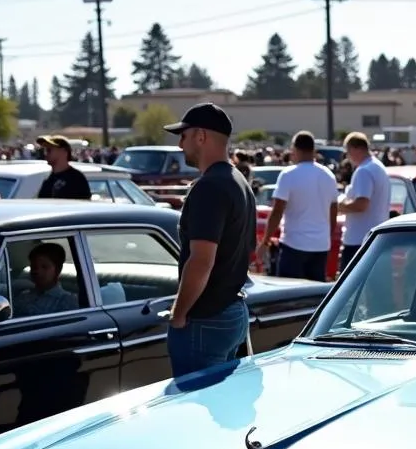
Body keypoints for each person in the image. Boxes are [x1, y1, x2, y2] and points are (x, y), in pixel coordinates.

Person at [162, 102, 256, 377]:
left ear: (201, 136)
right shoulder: (237, 180)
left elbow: (202, 260)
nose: (181, 144)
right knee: (227, 410)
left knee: (195, 409)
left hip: (207, 318)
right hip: (232, 310)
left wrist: (179, 314)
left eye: (184, 135)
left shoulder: (210, 186)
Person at [257, 130, 338, 281]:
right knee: (315, 296)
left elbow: (277, 210)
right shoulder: (328, 175)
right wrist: (327, 235)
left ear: (295, 149)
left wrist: (265, 240)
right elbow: (333, 210)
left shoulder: (288, 175)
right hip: (320, 245)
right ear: (313, 150)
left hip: (293, 244)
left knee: (290, 295)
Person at [337, 131, 390, 272]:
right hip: (374, 239)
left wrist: (339, 206)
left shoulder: (363, 171)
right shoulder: (378, 167)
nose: (347, 156)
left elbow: (361, 204)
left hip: (358, 241)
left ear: (357, 149)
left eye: (348, 151)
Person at [14, 243, 78, 316]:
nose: (37, 271)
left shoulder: (66, 301)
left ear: (58, 270)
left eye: (44, 267)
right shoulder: (24, 296)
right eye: (33, 266)